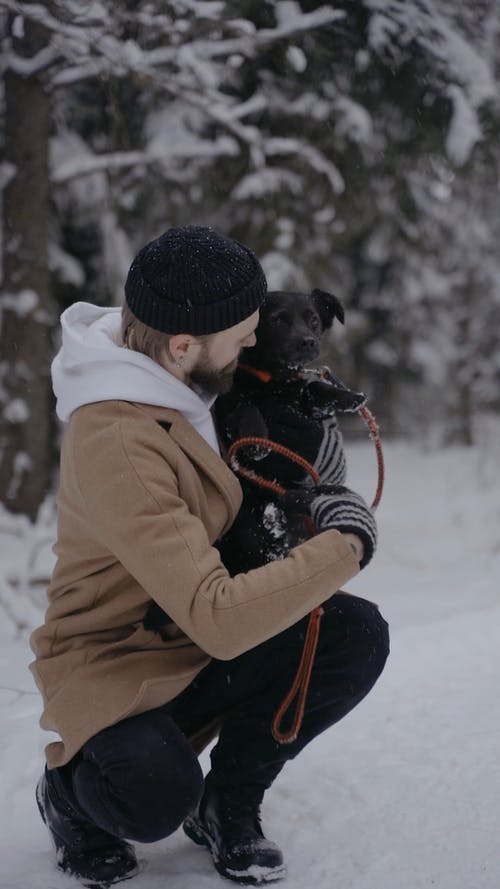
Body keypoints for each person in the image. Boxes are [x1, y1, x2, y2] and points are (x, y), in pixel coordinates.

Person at [30, 225, 389, 888]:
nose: (254, 342)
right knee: (151, 793)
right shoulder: (119, 438)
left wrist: (311, 479)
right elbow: (217, 615)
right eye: (245, 330)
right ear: (183, 343)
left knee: (352, 632)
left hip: (192, 637)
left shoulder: (187, 377)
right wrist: (348, 539)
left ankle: (228, 803)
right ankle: (70, 792)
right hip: (121, 658)